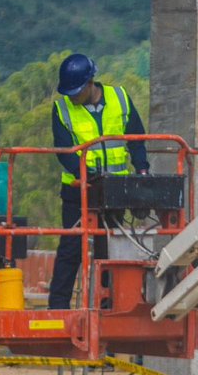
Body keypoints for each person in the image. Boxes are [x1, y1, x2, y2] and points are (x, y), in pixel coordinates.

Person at [48, 52, 150, 309]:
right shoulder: (62, 109)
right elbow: (64, 150)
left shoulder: (120, 99)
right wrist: (87, 175)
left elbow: (137, 139)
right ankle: (58, 307)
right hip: (78, 190)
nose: (72, 96)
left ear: (90, 82)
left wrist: (142, 173)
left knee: (108, 250)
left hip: (115, 191)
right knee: (71, 249)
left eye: (76, 91)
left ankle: (107, 306)